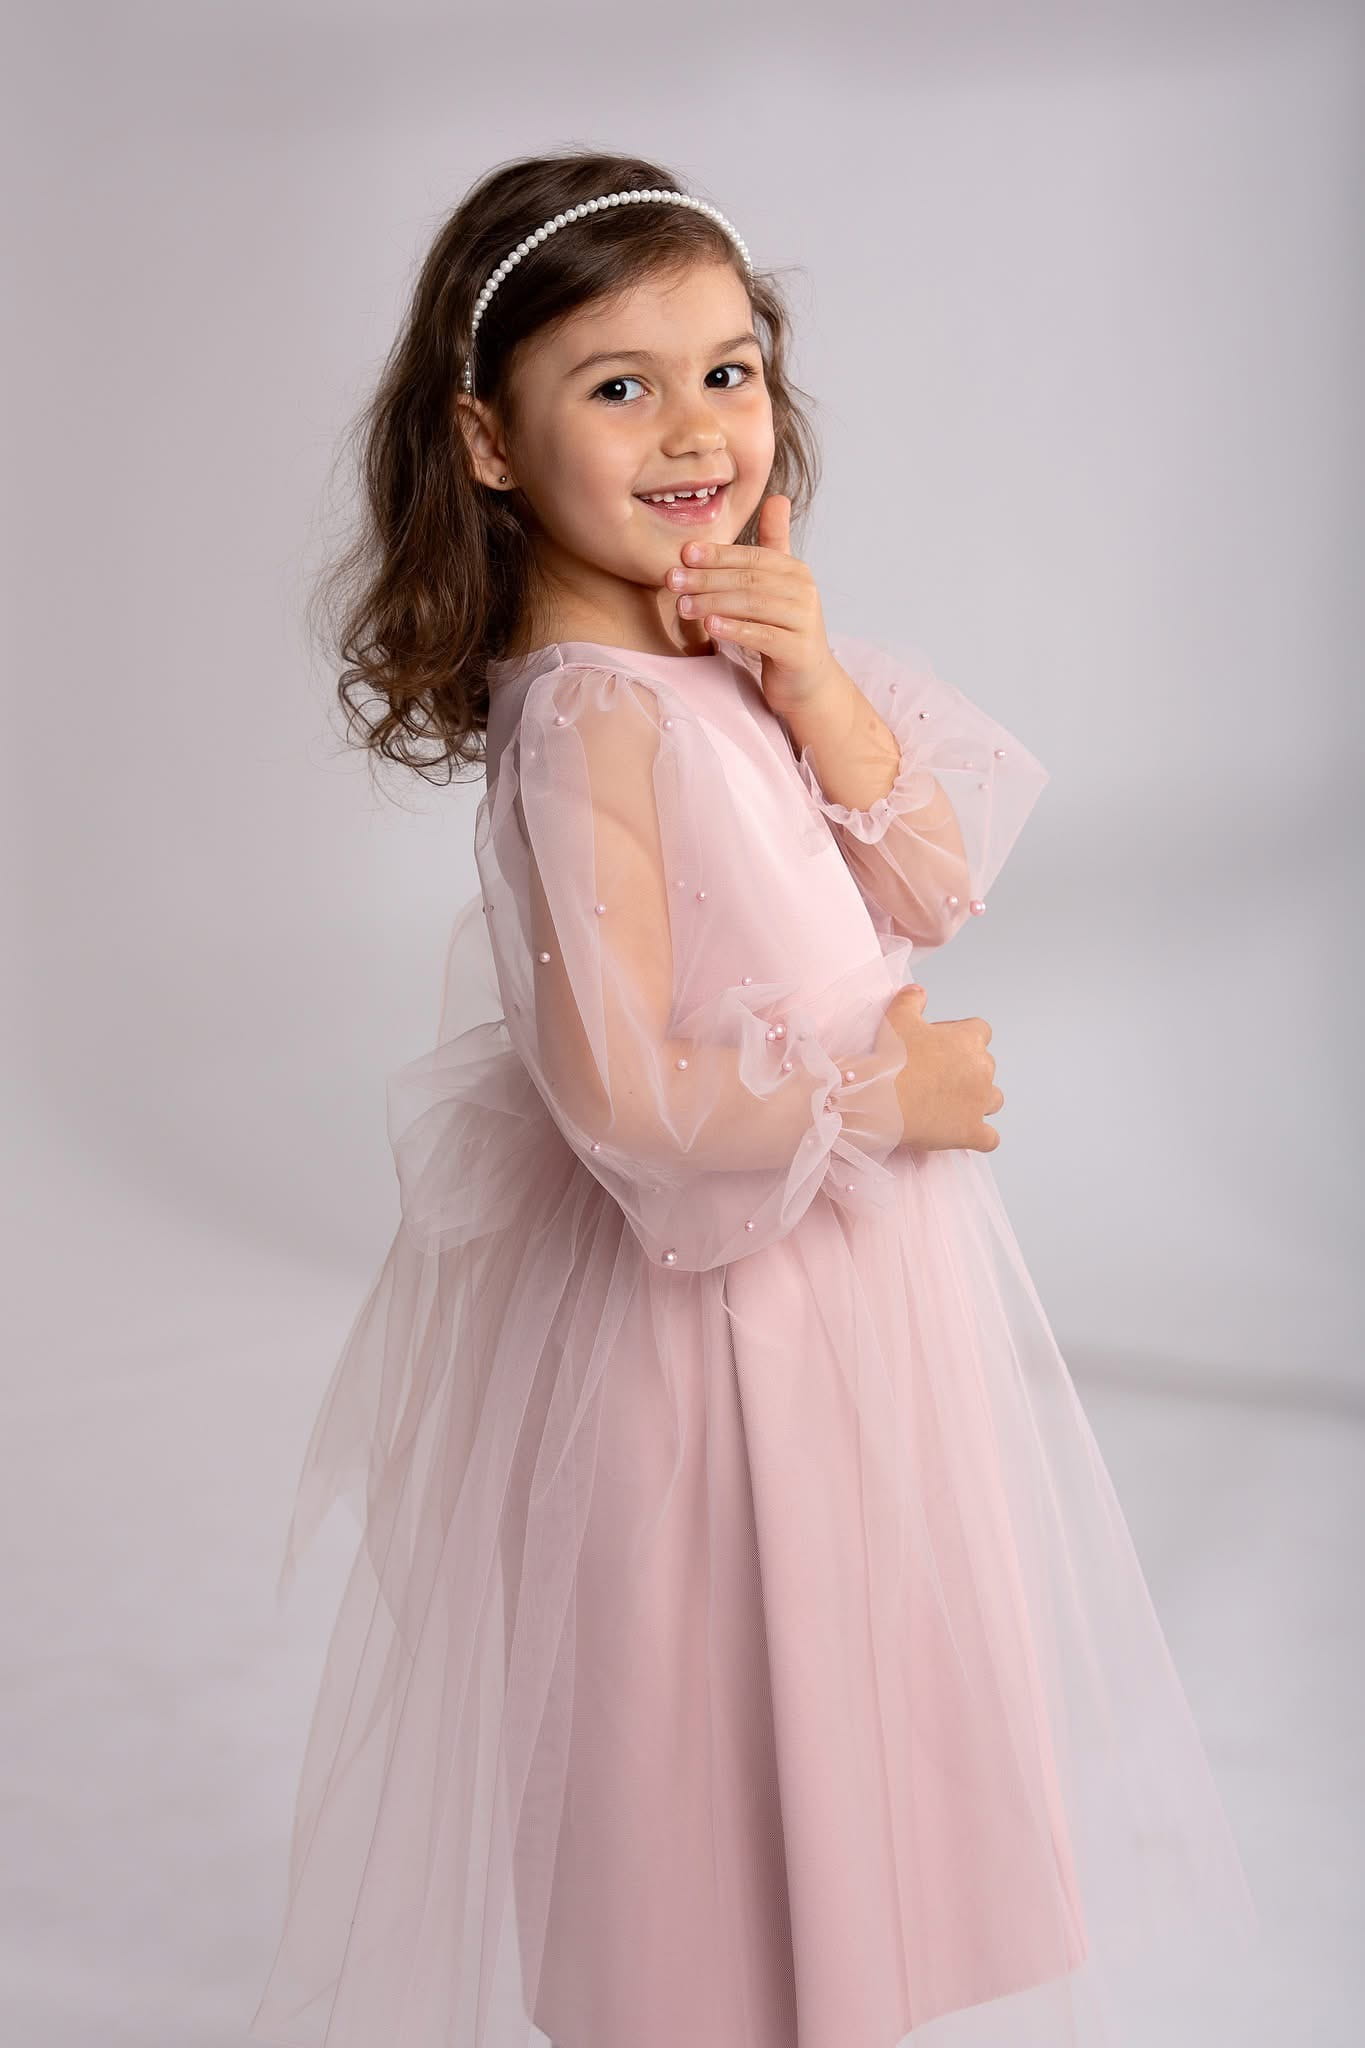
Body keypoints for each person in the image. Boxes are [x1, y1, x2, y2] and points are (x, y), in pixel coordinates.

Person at [247, 151, 1258, 2048]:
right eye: (617, 386)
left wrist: (813, 684)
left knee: (847, 1676)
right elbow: (619, 1096)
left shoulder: (726, 654)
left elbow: (932, 883)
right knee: (708, 1697)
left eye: (727, 370)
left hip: (840, 1288)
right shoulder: (584, 717)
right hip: (707, 1319)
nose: (694, 426)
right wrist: (888, 1085)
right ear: (488, 441)